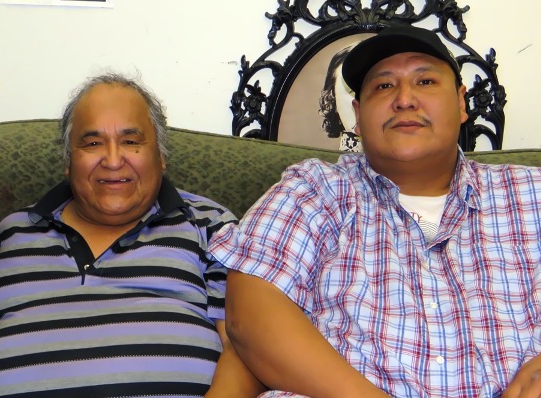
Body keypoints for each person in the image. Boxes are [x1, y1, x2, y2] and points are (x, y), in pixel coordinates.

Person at [209, 24, 541, 398]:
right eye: (383, 86)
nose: (404, 100)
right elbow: (251, 316)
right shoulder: (314, 189)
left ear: (462, 103)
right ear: (357, 113)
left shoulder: (532, 192)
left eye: (426, 82)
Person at [0, 73, 263, 397]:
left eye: (131, 141)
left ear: (161, 155)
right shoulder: (4, 235)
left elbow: (247, 350)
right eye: (92, 143)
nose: (113, 161)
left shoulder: (210, 228)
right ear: (68, 161)